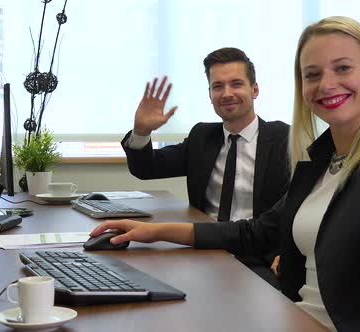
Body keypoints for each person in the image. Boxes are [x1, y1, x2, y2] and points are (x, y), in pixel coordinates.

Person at [95, 17, 360, 331]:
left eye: (342, 68)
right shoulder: (317, 161)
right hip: (287, 312)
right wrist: (152, 231)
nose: (326, 84)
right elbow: (255, 231)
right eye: (312, 74)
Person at [121, 47, 291, 288]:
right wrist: (141, 131)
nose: (227, 93)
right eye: (218, 86)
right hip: (201, 249)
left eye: (236, 84)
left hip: (258, 256)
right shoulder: (203, 136)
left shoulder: (285, 139)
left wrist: (288, 251)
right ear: (210, 94)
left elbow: (298, 206)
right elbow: (146, 168)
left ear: (255, 90)